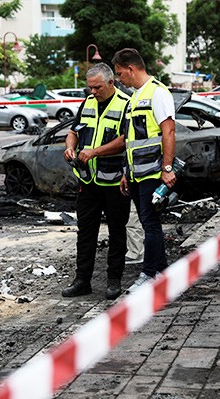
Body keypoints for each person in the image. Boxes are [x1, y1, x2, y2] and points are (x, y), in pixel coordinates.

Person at [60, 63, 132, 299]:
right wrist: (70, 147)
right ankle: (82, 281)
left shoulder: (125, 104)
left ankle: (114, 280)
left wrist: (94, 152)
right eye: (90, 87)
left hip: (114, 182)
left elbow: (126, 140)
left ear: (111, 83)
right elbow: (74, 131)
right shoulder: (88, 103)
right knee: (86, 233)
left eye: (97, 87)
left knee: (117, 233)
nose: (93, 92)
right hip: (88, 181)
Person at [111, 48, 176, 290]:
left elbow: (168, 131)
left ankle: (149, 275)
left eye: (120, 73)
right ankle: (163, 274)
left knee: (150, 224)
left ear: (131, 68)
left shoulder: (157, 93)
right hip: (138, 173)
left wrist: (167, 168)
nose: (119, 79)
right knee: (149, 222)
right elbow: (132, 140)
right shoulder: (136, 97)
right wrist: (127, 173)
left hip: (153, 171)